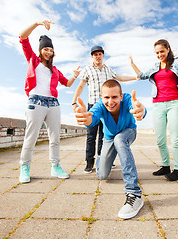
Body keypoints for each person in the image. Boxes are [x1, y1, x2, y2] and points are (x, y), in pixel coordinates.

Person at [129, 17, 178, 181]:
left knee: (175, 138)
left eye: (162, 51)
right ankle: (165, 166)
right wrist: (133, 63)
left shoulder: (177, 63)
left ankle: (177, 169)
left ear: (168, 49)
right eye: (156, 53)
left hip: (174, 104)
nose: (159, 55)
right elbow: (141, 76)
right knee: (160, 138)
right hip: (158, 105)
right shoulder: (155, 67)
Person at [74, 79, 146, 219]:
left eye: (114, 97)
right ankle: (103, 158)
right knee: (102, 175)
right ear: (101, 97)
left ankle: (134, 193)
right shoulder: (100, 105)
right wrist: (85, 118)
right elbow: (91, 118)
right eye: (106, 97)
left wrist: (141, 110)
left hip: (128, 132)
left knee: (119, 139)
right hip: (108, 138)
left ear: (120, 96)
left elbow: (137, 107)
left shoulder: (127, 100)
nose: (110, 101)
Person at [18, 20, 80, 183]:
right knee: (30, 137)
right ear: (40, 50)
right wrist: (37, 23)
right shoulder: (33, 59)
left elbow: (67, 83)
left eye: (51, 50)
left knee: (55, 138)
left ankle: (55, 166)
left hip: (53, 104)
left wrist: (74, 75)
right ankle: (24, 167)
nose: (49, 52)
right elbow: (23, 37)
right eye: (46, 49)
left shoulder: (55, 70)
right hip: (35, 102)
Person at [72, 45, 137, 174]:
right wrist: (74, 101)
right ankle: (89, 162)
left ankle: (104, 159)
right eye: (95, 54)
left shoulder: (108, 70)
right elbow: (80, 86)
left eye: (99, 54)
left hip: (108, 107)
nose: (97, 56)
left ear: (103, 55)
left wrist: (135, 77)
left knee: (104, 135)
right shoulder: (88, 70)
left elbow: (120, 78)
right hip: (94, 106)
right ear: (92, 56)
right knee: (91, 136)